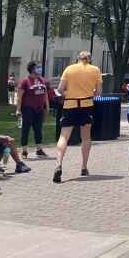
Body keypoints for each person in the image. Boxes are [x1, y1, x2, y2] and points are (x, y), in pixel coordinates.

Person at [53, 51, 102, 184]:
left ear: (78, 59)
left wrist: (69, 92)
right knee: (86, 137)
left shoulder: (69, 69)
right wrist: (88, 91)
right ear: (90, 59)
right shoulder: (95, 70)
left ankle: (58, 164)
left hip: (70, 105)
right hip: (86, 105)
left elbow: (60, 90)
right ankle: (84, 167)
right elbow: (98, 92)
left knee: (64, 136)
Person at [16, 61, 50, 159]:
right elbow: (20, 97)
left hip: (39, 109)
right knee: (26, 129)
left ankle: (39, 149)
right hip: (27, 108)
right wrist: (18, 110)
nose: (40, 68)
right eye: (37, 67)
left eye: (40, 67)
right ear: (32, 69)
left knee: (38, 129)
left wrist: (47, 106)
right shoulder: (25, 81)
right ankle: (24, 151)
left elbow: (45, 94)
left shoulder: (42, 80)